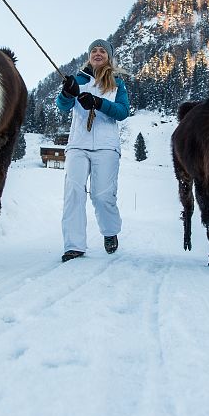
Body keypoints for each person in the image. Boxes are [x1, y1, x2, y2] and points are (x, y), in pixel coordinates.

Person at [56, 39, 130, 262]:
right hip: (78, 144)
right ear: (89, 56)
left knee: (102, 195)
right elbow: (62, 107)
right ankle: (74, 245)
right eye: (94, 51)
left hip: (107, 147)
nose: (98, 53)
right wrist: (67, 94)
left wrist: (99, 103)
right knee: (73, 193)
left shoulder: (117, 83)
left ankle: (110, 232)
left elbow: (123, 111)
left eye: (102, 51)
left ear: (108, 57)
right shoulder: (77, 80)